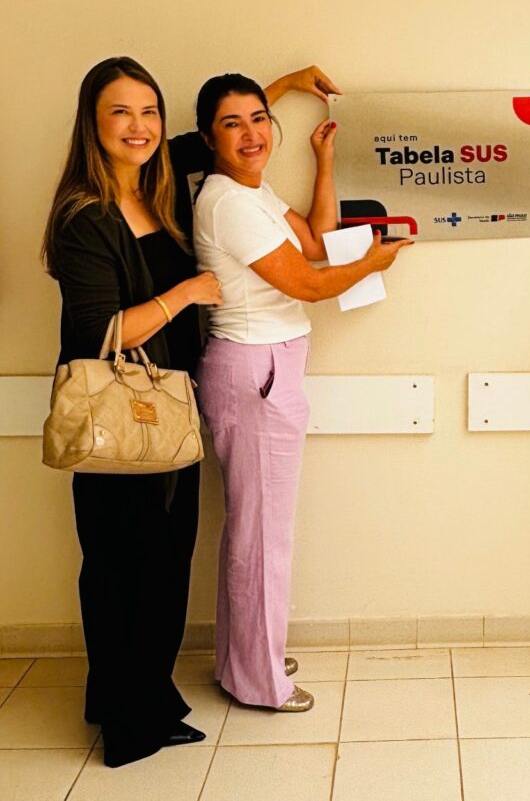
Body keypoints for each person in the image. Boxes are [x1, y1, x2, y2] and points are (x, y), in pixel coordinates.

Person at [42, 58, 342, 767]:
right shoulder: (85, 217)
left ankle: (136, 699)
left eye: (149, 111)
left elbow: (226, 130)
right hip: (119, 416)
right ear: (92, 122)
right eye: (121, 112)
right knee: (120, 564)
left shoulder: (161, 185)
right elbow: (100, 330)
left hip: (168, 409)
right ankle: (128, 723)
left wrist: (286, 86)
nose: (140, 127)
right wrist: (186, 294)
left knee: (163, 560)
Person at [193, 74, 413, 711]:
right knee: (263, 538)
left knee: (255, 531)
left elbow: (315, 244)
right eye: (232, 124)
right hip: (254, 371)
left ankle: (247, 658)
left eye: (259, 119)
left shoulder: (253, 192)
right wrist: (371, 264)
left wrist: (325, 160)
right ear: (208, 138)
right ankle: (261, 681)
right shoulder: (228, 203)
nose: (251, 134)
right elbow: (309, 284)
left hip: (269, 367)